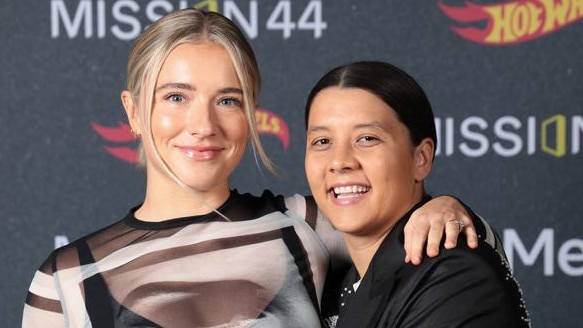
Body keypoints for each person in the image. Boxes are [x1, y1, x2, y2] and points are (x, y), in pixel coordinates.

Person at [23, 9, 480, 328]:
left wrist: (445, 208)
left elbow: (457, 266)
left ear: (251, 115)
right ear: (135, 111)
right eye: (176, 97)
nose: (202, 125)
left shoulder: (305, 225)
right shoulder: (67, 277)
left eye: (227, 100)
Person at [304, 61, 531, 328]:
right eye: (322, 142)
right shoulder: (332, 283)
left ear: (421, 158)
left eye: (367, 138)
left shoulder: (454, 276)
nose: (339, 161)